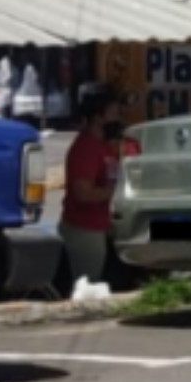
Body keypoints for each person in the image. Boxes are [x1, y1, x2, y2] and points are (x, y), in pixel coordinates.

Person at [59, 85, 126, 296]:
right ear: (98, 117)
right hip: (83, 229)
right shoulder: (86, 148)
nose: (118, 118)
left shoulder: (104, 146)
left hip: (100, 226)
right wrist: (115, 192)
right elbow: (83, 192)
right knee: (87, 285)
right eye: (113, 113)